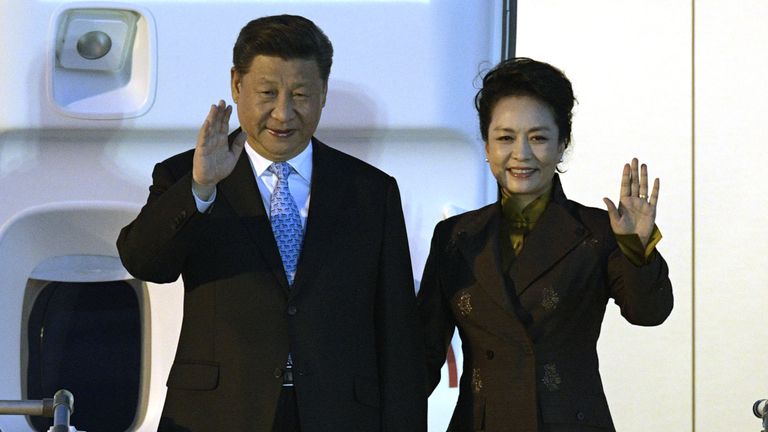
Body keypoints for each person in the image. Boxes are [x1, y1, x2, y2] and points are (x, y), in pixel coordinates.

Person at [117, 14, 426, 432]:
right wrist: (201, 187)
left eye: (301, 94)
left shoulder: (371, 191)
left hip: (339, 414)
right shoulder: (186, 176)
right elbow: (144, 262)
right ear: (236, 85)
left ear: (323, 94)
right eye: (267, 92)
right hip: (219, 414)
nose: (283, 114)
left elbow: (398, 336)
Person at [417, 58, 673, 432]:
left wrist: (637, 247)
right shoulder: (455, 237)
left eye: (538, 138)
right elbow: (422, 354)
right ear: (486, 146)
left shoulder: (598, 231)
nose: (521, 154)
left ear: (561, 145)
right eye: (505, 137)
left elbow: (648, 312)